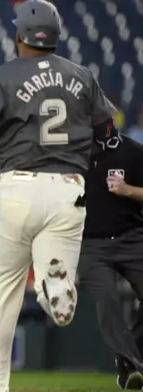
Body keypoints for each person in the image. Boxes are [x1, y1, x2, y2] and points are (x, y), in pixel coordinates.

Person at [0, 1, 117, 391]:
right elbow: (109, 132)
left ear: (19, 34)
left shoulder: (0, 76)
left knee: (3, 291)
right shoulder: (82, 76)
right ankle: (54, 284)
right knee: (58, 285)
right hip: (68, 190)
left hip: (18, 188)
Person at [78, 130, 143, 389]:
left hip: (132, 238)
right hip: (90, 245)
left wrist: (128, 190)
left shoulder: (131, 151)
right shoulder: (68, 156)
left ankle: (131, 360)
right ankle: (132, 364)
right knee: (107, 297)